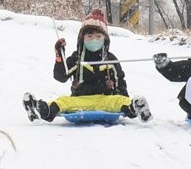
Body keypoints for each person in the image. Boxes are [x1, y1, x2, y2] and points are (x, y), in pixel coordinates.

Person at [23, 8, 152, 123]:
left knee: (120, 100)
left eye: (98, 36)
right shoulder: (77, 59)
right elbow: (60, 76)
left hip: (106, 100)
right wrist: (59, 56)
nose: (94, 39)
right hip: (80, 100)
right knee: (63, 101)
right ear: (82, 39)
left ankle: (137, 108)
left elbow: (120, 82)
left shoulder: (110, 60)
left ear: (104, 39)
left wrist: (122, 100)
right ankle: (41, 110)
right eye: (89, 36)